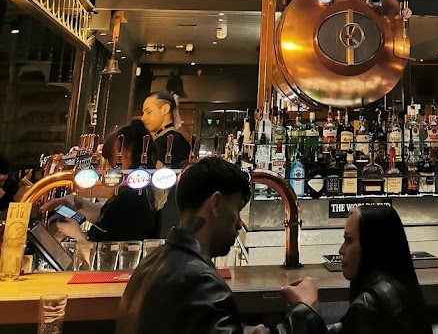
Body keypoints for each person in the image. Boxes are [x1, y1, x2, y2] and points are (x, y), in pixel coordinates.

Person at [117, 157, 324, 334]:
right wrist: (305, 310)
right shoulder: (198, 281)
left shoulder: (151, 262)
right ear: (216, 204)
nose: (239, 223)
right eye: (237, 209)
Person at [284, 204, 432, 334]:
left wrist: (304, 309)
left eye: (349, 240)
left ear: (371, 247)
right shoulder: (402, 291)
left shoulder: (367, 307)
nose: (341, 250)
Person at [42, 121, 158, 243]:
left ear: (129, 156)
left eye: (112, 160)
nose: (108, 167)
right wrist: (76, 203)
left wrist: (77, 234)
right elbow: (106, 216)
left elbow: (99, 250)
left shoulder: (131, 198)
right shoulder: (135, 193)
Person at [142, 89, 191, 235]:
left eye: (148, 112)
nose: (143, 118)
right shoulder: (178, 139)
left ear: (165, 109)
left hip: (165, 216)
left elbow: (158, 188)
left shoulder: (168, 141)